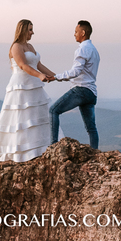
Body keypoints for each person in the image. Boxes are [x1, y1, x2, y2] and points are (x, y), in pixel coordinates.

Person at [0, 19, 56, 167]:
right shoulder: (16, 46)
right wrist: (40, 76)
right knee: (20, 118)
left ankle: (38, 147)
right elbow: (22, 65)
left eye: (32, 29)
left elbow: (38, 64)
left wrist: (55, 76)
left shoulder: (30, 46)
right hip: (21, 85)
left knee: (36, 116)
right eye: (30, 29)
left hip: (34, 85)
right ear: (23, 30)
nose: (33, 32)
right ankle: (20, 149)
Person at [47, 20, 99, 150]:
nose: (74, 34)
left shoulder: (82, 49)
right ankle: (95, 152)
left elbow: (75, 72)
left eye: (76, 32)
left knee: (53, 110)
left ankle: (53, 146)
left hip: (81, 90)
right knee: (91, 128)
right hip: (91, 93)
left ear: (83, 32)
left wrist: (56, 77)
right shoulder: (94, 50)